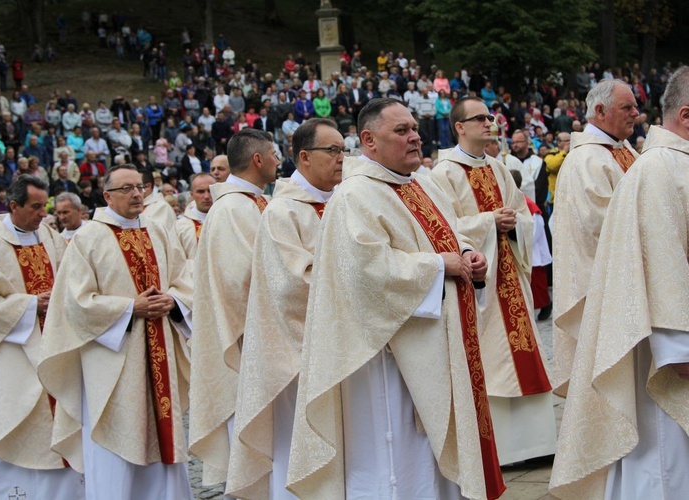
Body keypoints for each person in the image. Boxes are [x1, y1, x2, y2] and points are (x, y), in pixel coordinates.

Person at [286, 99, 505, 499]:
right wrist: (441, 266)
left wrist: (470, 255)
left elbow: (451, 235)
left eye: (415, 128)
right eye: (401, 130)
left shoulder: (422, 182)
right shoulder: (355, 196)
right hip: (390, 357)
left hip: (441, 343)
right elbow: (366, 272)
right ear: (368, 140)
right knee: (402, 462)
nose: (415, 136)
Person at [550, 65, 689, 498]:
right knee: (675, 468)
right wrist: (679, 347)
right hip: (682, 362)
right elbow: (660, 261)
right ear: (686, 115)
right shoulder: (660, 170)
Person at [39, 165, 194, 500]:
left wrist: (173, 300)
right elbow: (75, 303)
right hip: (113, 363)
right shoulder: (89, 238)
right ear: (106, 195)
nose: (136, 194)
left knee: (165, 440)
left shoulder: (158, 231)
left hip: (160, 354)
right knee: (116, 442)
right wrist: (129, 309)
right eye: (126, 189)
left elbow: (186, 281)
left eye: (140, 187)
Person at [432, 97, 555, 466]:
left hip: (510, 276)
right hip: (479, 282)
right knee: (492, 359)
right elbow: (442, 228)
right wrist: (488, 222)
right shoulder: (444, 173)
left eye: (490, 117)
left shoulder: (500, 169)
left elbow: (523, 215)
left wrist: (513, 223)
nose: (490, 123)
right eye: (480, 119)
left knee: (523, 354)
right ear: (459, 127)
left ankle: (536, 444)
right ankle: (500, 447)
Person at [225, 118, 344, 498]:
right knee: (302, 444)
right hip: (296, 350)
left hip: (345, 343)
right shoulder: (283, 213)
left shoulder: (343, 202)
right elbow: (290, 285)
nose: (343, 159)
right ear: (305, 157)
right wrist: (359, 286)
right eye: (333, 151)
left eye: (345, 150)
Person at [189, 129, 279, 485]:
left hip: (268, 342)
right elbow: (238, 281)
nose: (277, 160)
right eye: (272, 154)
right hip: (251, 344)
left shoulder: (255, 203)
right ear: (257, 159)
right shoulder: (231, 209)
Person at [0, 176, 82, 499]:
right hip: (14, 354)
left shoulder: (50, 237)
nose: (44, 214)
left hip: (54, 347)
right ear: (13, 206)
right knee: (23, 426)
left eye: (46, 206)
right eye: (36, 207)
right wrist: (29, 305)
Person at [551, 79, 640, 397]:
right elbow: (601, 228)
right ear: (600, 111)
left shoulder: (622, 150)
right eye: (627, 107)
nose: (636, 113)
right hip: (605, 290)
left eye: (635, 106)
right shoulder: (586, 160)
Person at [174, 172, 214, 264]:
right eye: (200, 191)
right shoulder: (180, 226)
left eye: (210, 190)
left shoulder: (227, 219)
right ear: (192, 194)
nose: (206, 196)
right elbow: (177, 262)